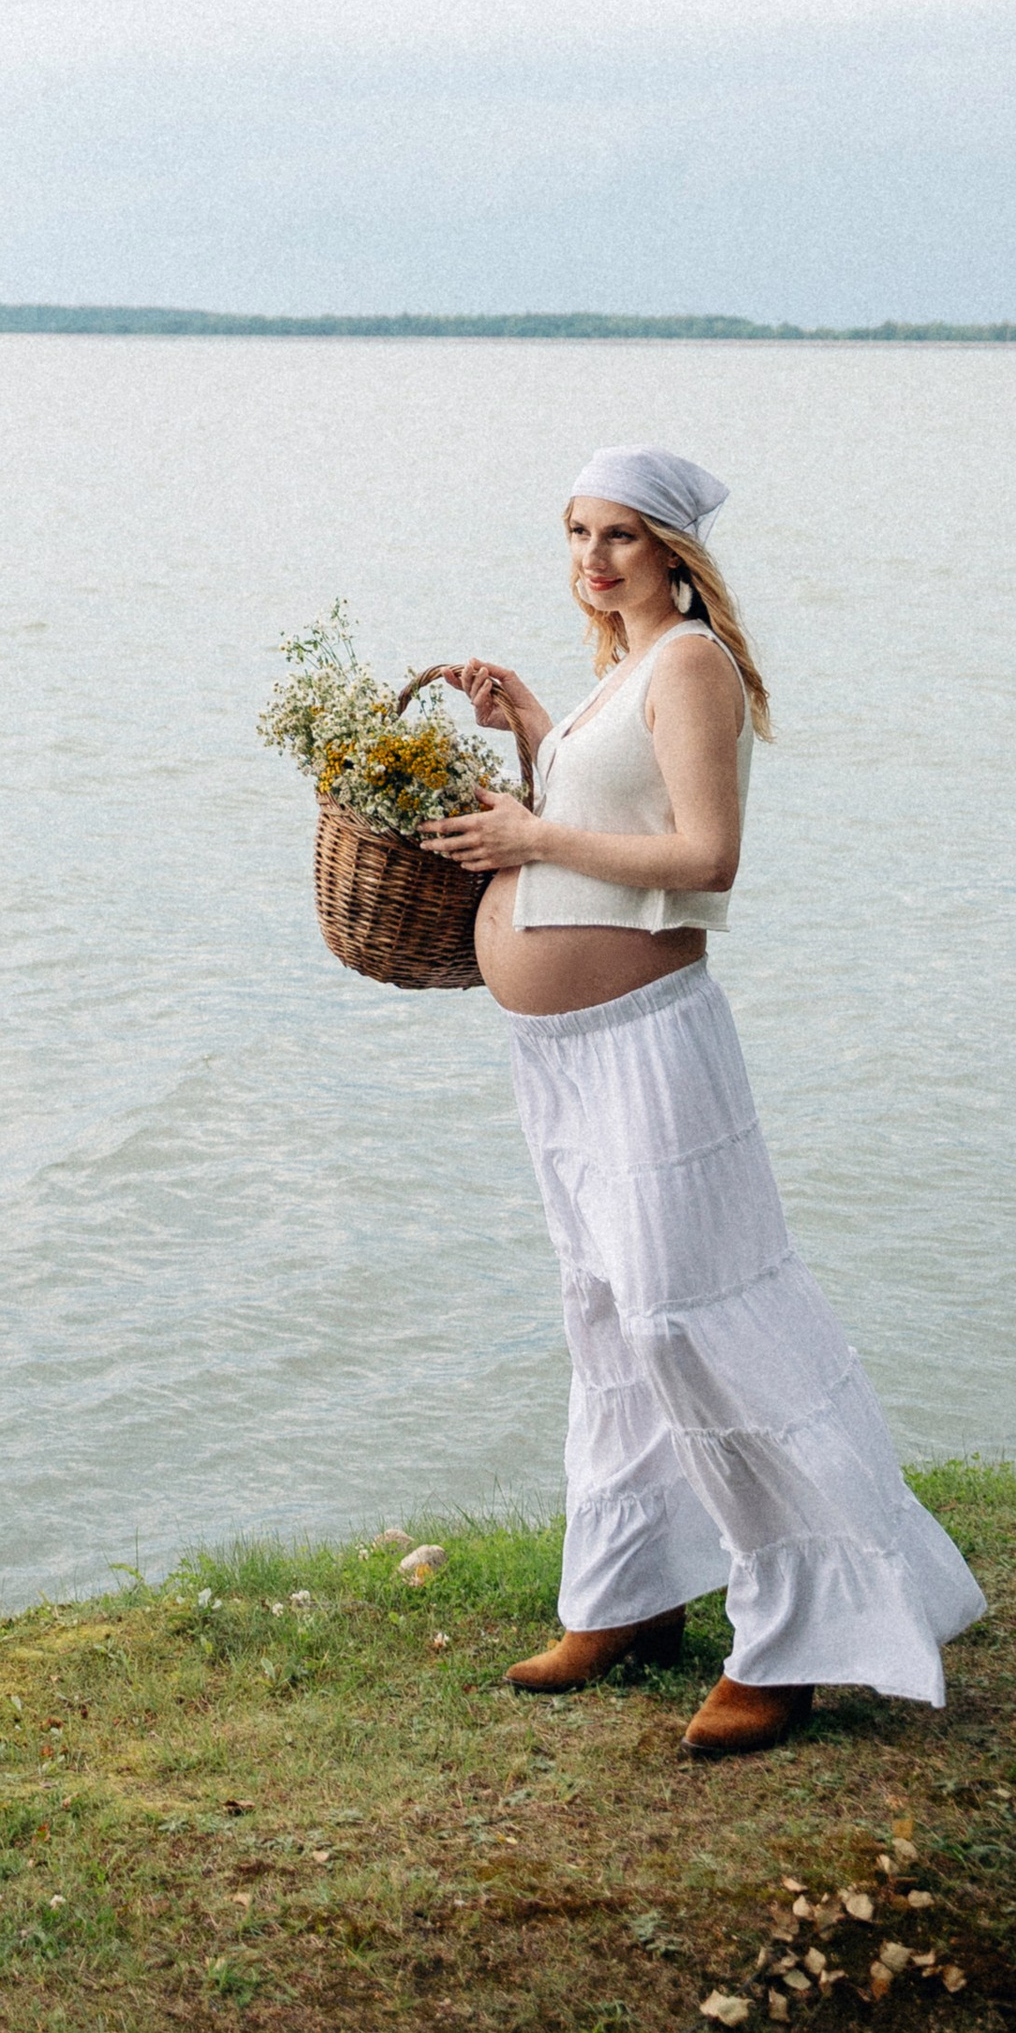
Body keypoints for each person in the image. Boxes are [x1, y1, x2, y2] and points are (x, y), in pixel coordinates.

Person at [420, 442, 983, 1760]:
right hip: (562, 1052)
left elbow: (703, 856)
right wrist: (538, 733)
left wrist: (528, 836)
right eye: (576, 532)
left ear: (676, 548)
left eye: (621, 534)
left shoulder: (690, 662)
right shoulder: (625, 672)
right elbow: (618, 802)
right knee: (608, 1319)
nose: (594, 558)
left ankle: (795, 1637)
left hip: (650, 1048)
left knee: (687, 1319)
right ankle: (628, 1595)